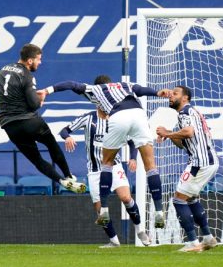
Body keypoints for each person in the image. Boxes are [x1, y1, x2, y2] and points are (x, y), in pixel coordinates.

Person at [40, 75, 171, 228]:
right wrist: (157, 93)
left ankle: (104, 210)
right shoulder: (125, 84)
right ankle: (159, 211)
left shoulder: (96, 89)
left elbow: (71, 83)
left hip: (118, 116)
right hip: (139, 115)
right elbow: (141, 90)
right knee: (151, 166)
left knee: (106, 163)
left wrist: (47, 91)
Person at [0, 44, 84, 192]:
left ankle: (61, 181)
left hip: (10, 126)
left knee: (37, 159)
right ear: (29, 61)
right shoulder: (27, 76)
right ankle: (68, 176)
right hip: (30, 122)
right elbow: (33, 105)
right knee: (51, 144)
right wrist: (41, 100)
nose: (40, 63)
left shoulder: (1, 71)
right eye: (38, 59)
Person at [59, 107, 152, 248]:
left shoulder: (117, 120)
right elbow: (64, 130)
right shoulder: (88, 118)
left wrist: (133, 158)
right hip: (95, 171)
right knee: (100, 209)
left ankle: (140, 231)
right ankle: (114, 241)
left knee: (126, 198)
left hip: (115, 167)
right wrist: (68, 137)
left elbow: (132, 141)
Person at [156, 85, 219, 252]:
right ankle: (208, 238)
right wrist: (169, 134)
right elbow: (184, 144)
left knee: (178, 200)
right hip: (208, 161)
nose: (170, 96)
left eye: (175, 94)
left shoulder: (185, 112)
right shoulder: (191, 113)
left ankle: (192, 242)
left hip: (199, 162)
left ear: (185, 98)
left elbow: (189, 132)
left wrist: (168, 133)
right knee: (190, 199)